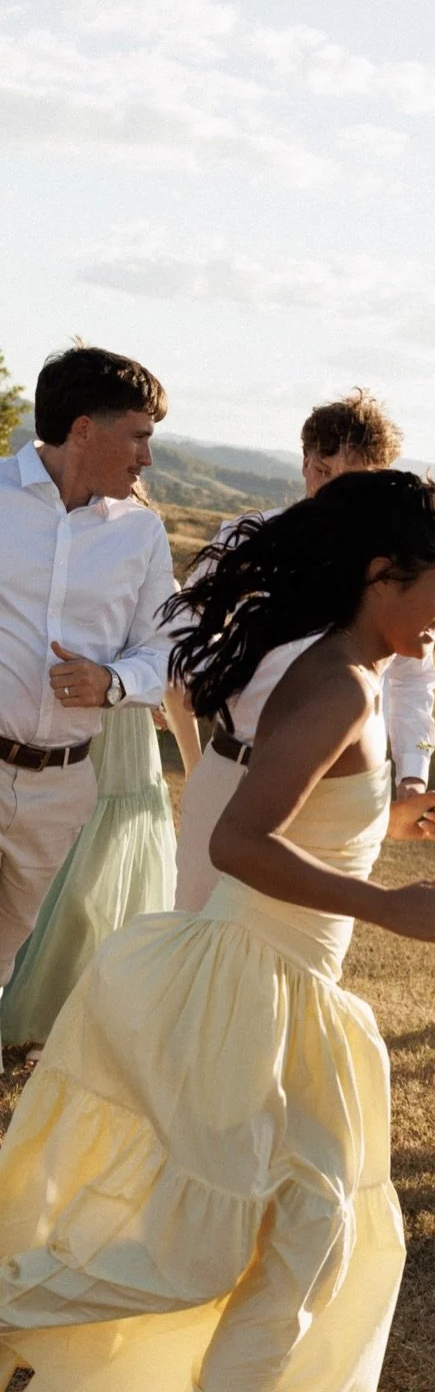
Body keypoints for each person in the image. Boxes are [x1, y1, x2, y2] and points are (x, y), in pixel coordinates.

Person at [0, 470, 435, 1392]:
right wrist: (387, 906)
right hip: (251, 985)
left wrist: (387, 833)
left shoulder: (346, 674)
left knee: (312, 1238)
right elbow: (240, 844)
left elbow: (299, 813)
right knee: (207, 1248)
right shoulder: (338, 684)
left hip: (290, 991)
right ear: (382, 576)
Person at [171, 389, 435, 912]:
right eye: (322, 470)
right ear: (304, 462)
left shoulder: (395, 570)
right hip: (232, 769)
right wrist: (201, 676)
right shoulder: (249, 538)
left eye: (353, 479)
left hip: (334, 797)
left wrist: (412, 773)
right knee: (194, 926)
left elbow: (412, 677)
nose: (332, 490)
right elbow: (187, 624)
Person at [0, 345, 176, 1000]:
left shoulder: (142, 535)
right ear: (82, 430)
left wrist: (113, 682)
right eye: (138, 436)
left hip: (62, 787)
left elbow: (165, 650)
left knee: (2, 961)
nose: (147, 457)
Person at [0, 704, 180, 1063]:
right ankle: (51, 1010)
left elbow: (167, 680)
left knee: (107, 866)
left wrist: (144, 696)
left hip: (128, 739)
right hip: (77, 727)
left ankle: (93, 1013)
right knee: (68, 863)